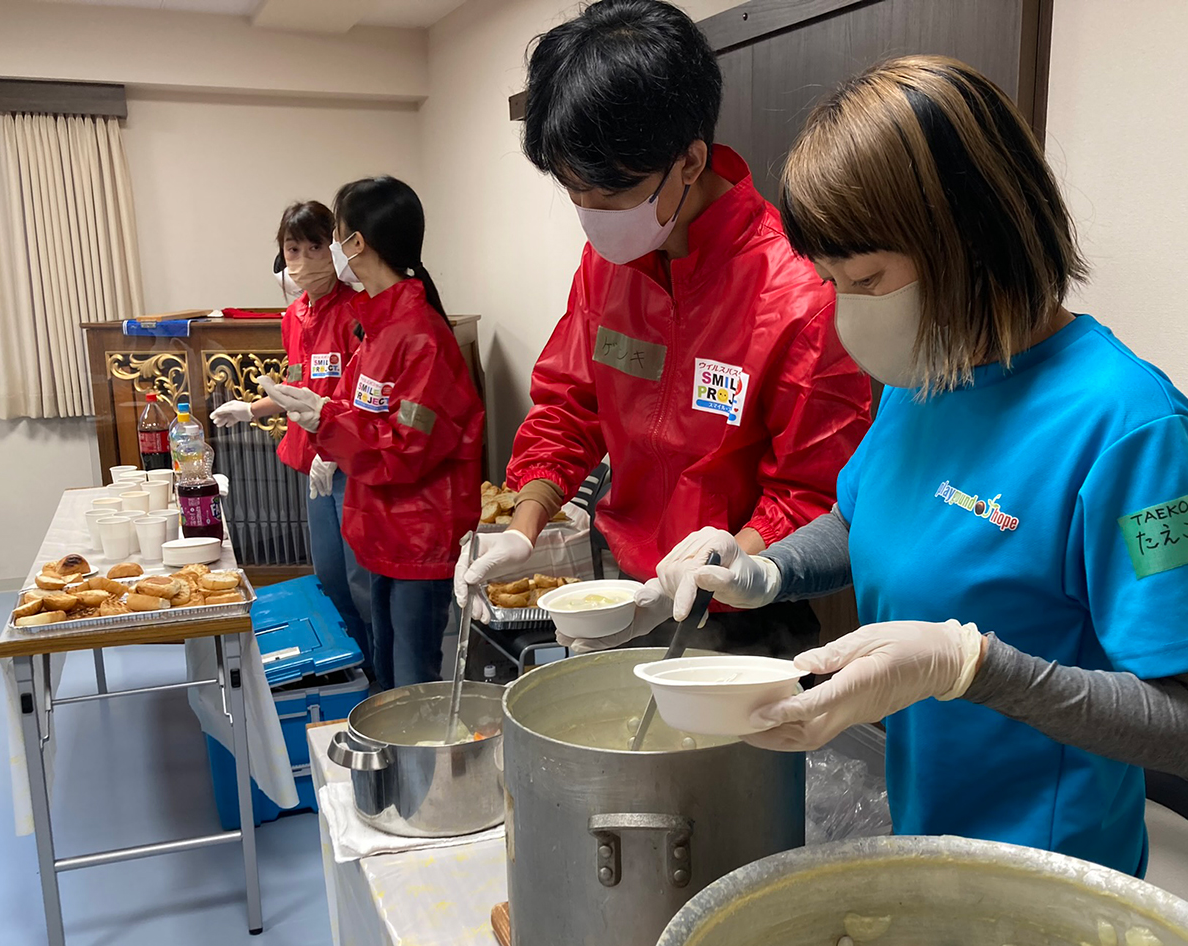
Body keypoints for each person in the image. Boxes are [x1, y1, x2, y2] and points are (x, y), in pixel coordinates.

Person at [650, 57, 1188, 877]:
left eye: (866, 280)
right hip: (926, 838)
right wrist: (763, 570)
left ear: (970, 238)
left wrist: (972, 667)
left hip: (1045, 878)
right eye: (832, 283)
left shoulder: (1129, 427)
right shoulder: (928, 369)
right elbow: (866, 517)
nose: (849, 312)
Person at [454, 0, 871, 657]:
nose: (591, 216)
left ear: (690, 161)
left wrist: (722, 568)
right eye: (574, 193)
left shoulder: (799, 295)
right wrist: (522, 526)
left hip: (745, 608)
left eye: (612, 194)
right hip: (626, 580)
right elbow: (569, 406)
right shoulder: (609, 265)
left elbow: (813, 491)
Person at [263, 178, 483, 690]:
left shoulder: (421, 336)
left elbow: (408, 447)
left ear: (355, 243)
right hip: (381, 528)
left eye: (333, 237)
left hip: (417, 536)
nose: (325, 252)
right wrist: (321, 414)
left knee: (411, 684)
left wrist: (326, 423)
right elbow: (354, 406)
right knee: (385, 675)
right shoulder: (379, 326)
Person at [212, 201, 371, 661]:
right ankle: (351, 666)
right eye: (292, 250)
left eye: (314, 248)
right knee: (330, 576)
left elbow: (364, 390)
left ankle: (380, 674)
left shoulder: (357, 311)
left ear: (335, 250)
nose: (301, 261)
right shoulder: (295, 317)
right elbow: (300, 386)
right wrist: (251, 409)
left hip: (353, 462)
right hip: (313, 462)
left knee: (362, 579)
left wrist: (336, 445)